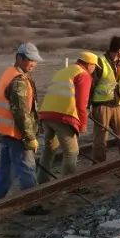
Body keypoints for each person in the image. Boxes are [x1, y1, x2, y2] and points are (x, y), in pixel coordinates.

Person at [0, 43, 43, 201]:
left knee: (6, 170)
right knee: (27, 168)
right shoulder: (18, 80)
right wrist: (30, 137)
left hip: (6, 130)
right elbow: (21, 112)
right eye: (30, 60)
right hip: (16, 132)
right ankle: (32, 204)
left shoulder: (10, 73)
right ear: (19, 58)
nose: (33, 64)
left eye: (35, 60)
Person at [37, 51, 97, 182]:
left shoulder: (64, 71)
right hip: (63, 117)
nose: (94, 70)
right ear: (89, 64)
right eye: (94, 66)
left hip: (46, 114)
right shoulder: (83, 75)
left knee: (49, 149)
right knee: (72, 152)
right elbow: (82, 103)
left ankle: (41, 180)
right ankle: (68, 184)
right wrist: (83, 123)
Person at [90, 36, 120, 162]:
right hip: (102, 106)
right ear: (119, 50)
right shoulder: (100, 62)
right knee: (100, 139)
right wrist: (87, 107)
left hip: (118, 105)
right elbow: (90, 86)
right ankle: (98, 166)